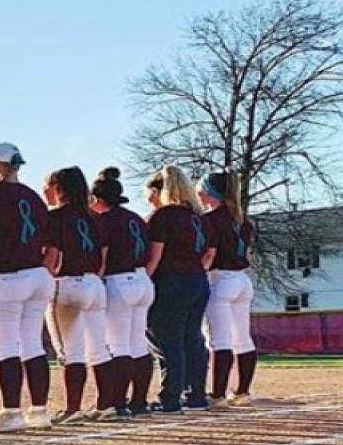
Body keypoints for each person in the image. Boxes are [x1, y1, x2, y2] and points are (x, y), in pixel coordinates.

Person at [0, 143, 53, 433]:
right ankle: (40, 410)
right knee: (32, 343)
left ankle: (11, 411)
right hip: (37, 273)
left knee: (3, 347)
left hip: (2, 277)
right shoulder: (34, 197)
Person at [40, 165, 111, 423]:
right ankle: (106, 404)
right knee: (99, 348)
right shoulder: (95, 217)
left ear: (59, 189)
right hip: (94, 282)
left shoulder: (55, 216)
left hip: (67, 282)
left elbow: (51, 256)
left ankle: (72, 408)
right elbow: (102, 257)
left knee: (70, 351)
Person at [143, 164, 216, 413]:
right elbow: (208, 255)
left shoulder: (164, 216)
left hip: (172, 281)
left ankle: (170, 397)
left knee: (168, 340)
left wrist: (143, 282)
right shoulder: (199, 218)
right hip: (198, 280)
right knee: (192, 339)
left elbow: (155, 256)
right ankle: (196, 395)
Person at [92, 167, 155, 418]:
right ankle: (139, 401)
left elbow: (104, 257)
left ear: (98, 199)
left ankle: (117, 401)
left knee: (118, 345)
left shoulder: (104, 221)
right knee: (138, 343)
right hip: (141, 278)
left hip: (119, 279)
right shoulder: (136, 218)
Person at [200, 171, 259, 404]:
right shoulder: (242, 220)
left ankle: (217, 394)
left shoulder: (211, 219)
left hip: (220, 278)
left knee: (220, 340)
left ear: (212, 192)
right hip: (242, 279)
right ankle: (242, 391)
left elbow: (209, 254)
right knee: (243, 338)